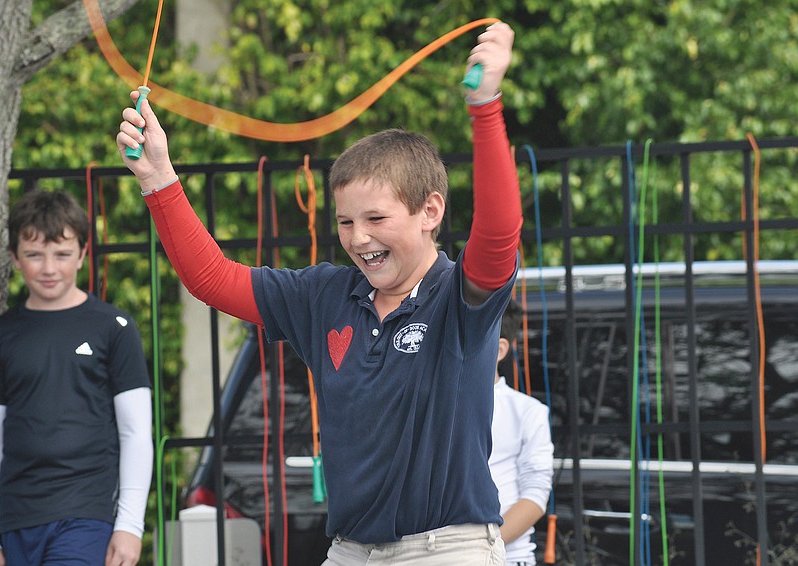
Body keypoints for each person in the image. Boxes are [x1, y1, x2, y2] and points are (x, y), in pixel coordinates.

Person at [118, 22, 520, 565]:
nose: (358, 237)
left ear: (430, 211)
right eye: (346, 221)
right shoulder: (324, 294)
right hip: (349, 553)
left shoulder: (458, 296)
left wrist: (485, 105)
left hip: (446, 548)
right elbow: (210, 279)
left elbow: (497, 237)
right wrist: (158, 176)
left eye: (376, 218)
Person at [0, 190, 154, 566]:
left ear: (83, 254)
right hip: (17, 520)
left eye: (62, 254)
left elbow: (136, 432)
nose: (49, 268)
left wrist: (131, 526)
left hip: (87, 514)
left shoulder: (115, 328)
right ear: (14, 258)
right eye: (35, 255)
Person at [489, 299, 554, 566]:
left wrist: (479, 549)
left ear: (500, 349)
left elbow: (535, 496)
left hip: (507, 556)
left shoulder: (527, 411)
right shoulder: (432, 403)